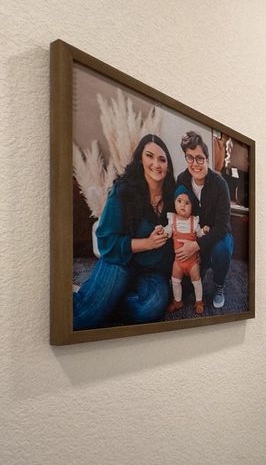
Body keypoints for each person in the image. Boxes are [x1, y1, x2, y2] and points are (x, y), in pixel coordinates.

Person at [73, 134, 175, 330]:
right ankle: (94, 301)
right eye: (149, 156)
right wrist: (148, 243)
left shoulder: (175, 197)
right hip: (120, 261)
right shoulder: (123, 191)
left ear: (168, 166)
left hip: (152, 272)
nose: (156, 163)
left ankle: (101, 300)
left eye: (162, 159)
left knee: (150, 308)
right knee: (84, 318)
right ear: (140, 159)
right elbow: (105, 243)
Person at [175, 131, 233, 310]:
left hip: (218, 236)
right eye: (190, 158)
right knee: (185, 291)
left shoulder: (219, 183)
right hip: (193, 235)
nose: (195, 164)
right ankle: (203, 264)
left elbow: (222, 226)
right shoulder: (182, 180)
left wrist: (197, 245)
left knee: (221, 249)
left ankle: (218, 286)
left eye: (199, 158)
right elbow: (177, 211)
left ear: (207, 158)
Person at [164, 185, 205, 315]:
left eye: (187, 203)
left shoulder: (194, 222)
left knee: (196, 280)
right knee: (175, 280)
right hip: (178, 262)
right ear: (174, 203)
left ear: (192, 207)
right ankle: (178, 301)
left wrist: (204, 231)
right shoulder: (172, 220)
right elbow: (167, 232)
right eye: (179, 201)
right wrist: (162, 231)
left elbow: (200, 235)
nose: (183, 205)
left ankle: (199, 301)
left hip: (193, 262)